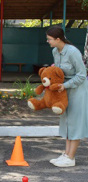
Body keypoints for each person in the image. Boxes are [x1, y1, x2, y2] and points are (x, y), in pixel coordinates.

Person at [46, 26, 88, 167]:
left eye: (49, 39)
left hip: (77, 90)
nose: (48, 41)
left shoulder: (72, 52)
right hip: (63, 90)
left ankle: (71, 158)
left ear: (58, 39)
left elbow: (82, 75)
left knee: (75, 122)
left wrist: (66, 85)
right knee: (67, 120)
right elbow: (58, 71)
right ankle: (66, 154)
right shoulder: (54, 51)